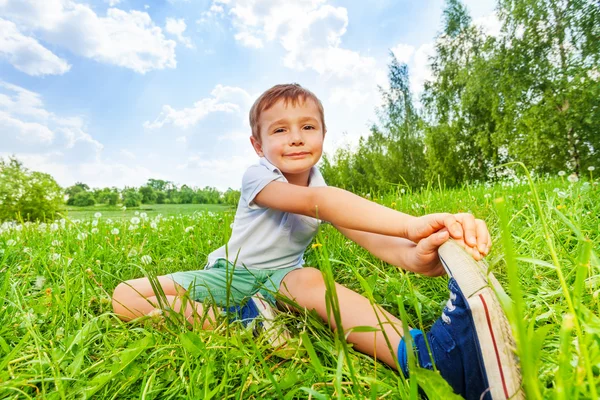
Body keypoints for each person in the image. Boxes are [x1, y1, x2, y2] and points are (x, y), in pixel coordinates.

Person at [112, 83, 522, 399]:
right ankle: (239, 325)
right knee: (126, 295)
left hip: (284, 279)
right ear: (259, 145)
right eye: (279, 130)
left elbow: (372, 238)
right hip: (232, 275)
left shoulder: (326, 189)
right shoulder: (258, 177)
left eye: (308, 127)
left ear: (323, 136)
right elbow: (318, 203)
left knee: (311, 280)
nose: (295, 138)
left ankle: (429, 359)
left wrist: (418, 255)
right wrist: (412, 223)